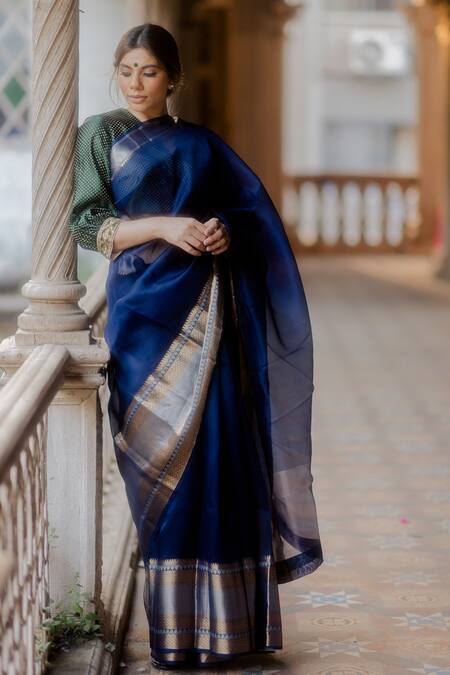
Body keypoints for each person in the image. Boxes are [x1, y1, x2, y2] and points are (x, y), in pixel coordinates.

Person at [68, 22, 323, 671]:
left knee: (219, 458)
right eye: (126, 70)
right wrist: (164, 225)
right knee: (159, 475)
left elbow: (250, 215)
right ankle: (176, 633)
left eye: (148, 71)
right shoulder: (99, 134)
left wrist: (217, 231)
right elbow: (86, 222)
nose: (135, 82)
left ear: (172, 77)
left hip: (209, 318)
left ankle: (228, 629)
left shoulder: (200, 145)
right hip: (141, 324)